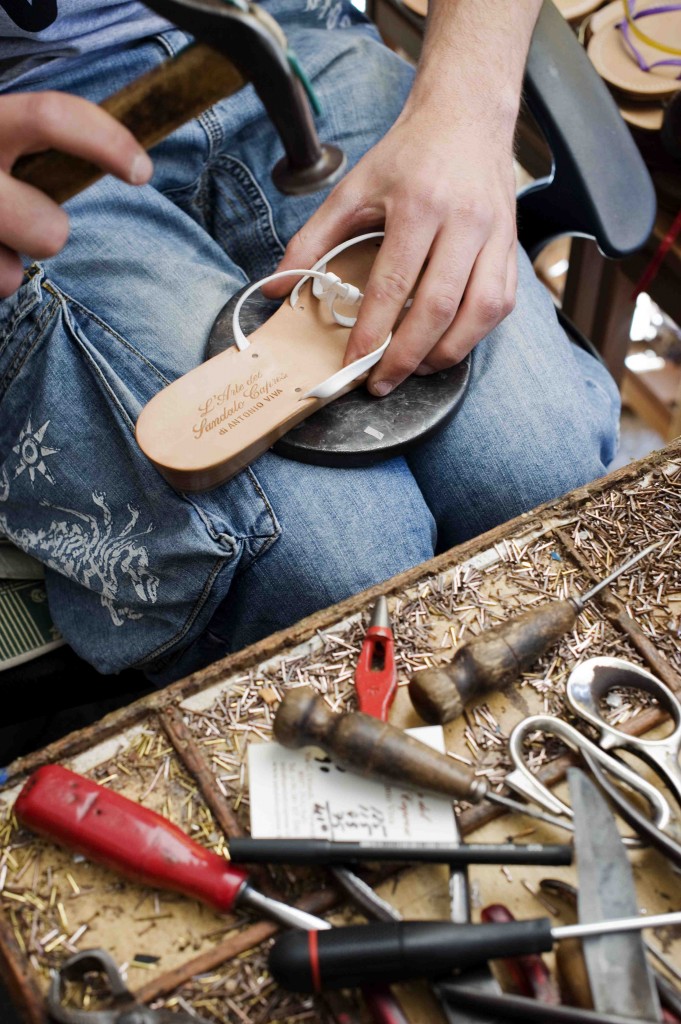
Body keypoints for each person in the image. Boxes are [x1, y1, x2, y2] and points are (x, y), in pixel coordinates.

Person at [0, 0, 620, 684]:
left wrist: (470, 110)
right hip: (23, 124)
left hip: (290, 36)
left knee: (535, 479)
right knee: (337, 571)